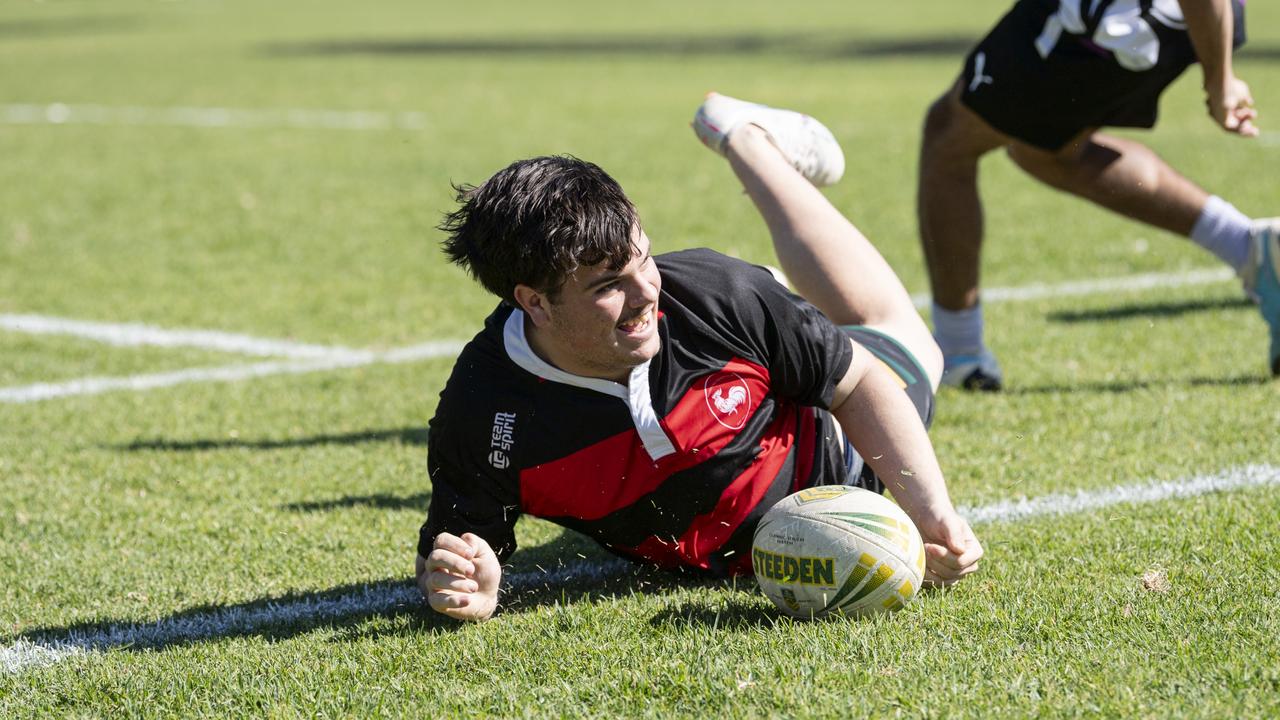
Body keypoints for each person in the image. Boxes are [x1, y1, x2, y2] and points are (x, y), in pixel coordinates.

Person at [417, 94, 983, 622]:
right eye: (609, 284)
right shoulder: (483, 407)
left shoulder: (716, 293)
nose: (646, 293)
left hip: (840, 459)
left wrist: (934, 515)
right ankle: (784, 324)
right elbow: (454, 553)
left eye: (644, 261)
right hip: (718, 525)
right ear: (534, 302)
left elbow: (859, 384)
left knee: (899, 332)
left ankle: (745, 139)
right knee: (779, 322)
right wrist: (470, 581)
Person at [919, 0, 1280, 390]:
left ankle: (959, 353)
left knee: (949, 139)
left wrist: (1219, 77)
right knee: (1046, 153)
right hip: (1151, 19)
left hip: (1116, 20)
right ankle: (1250, 248)